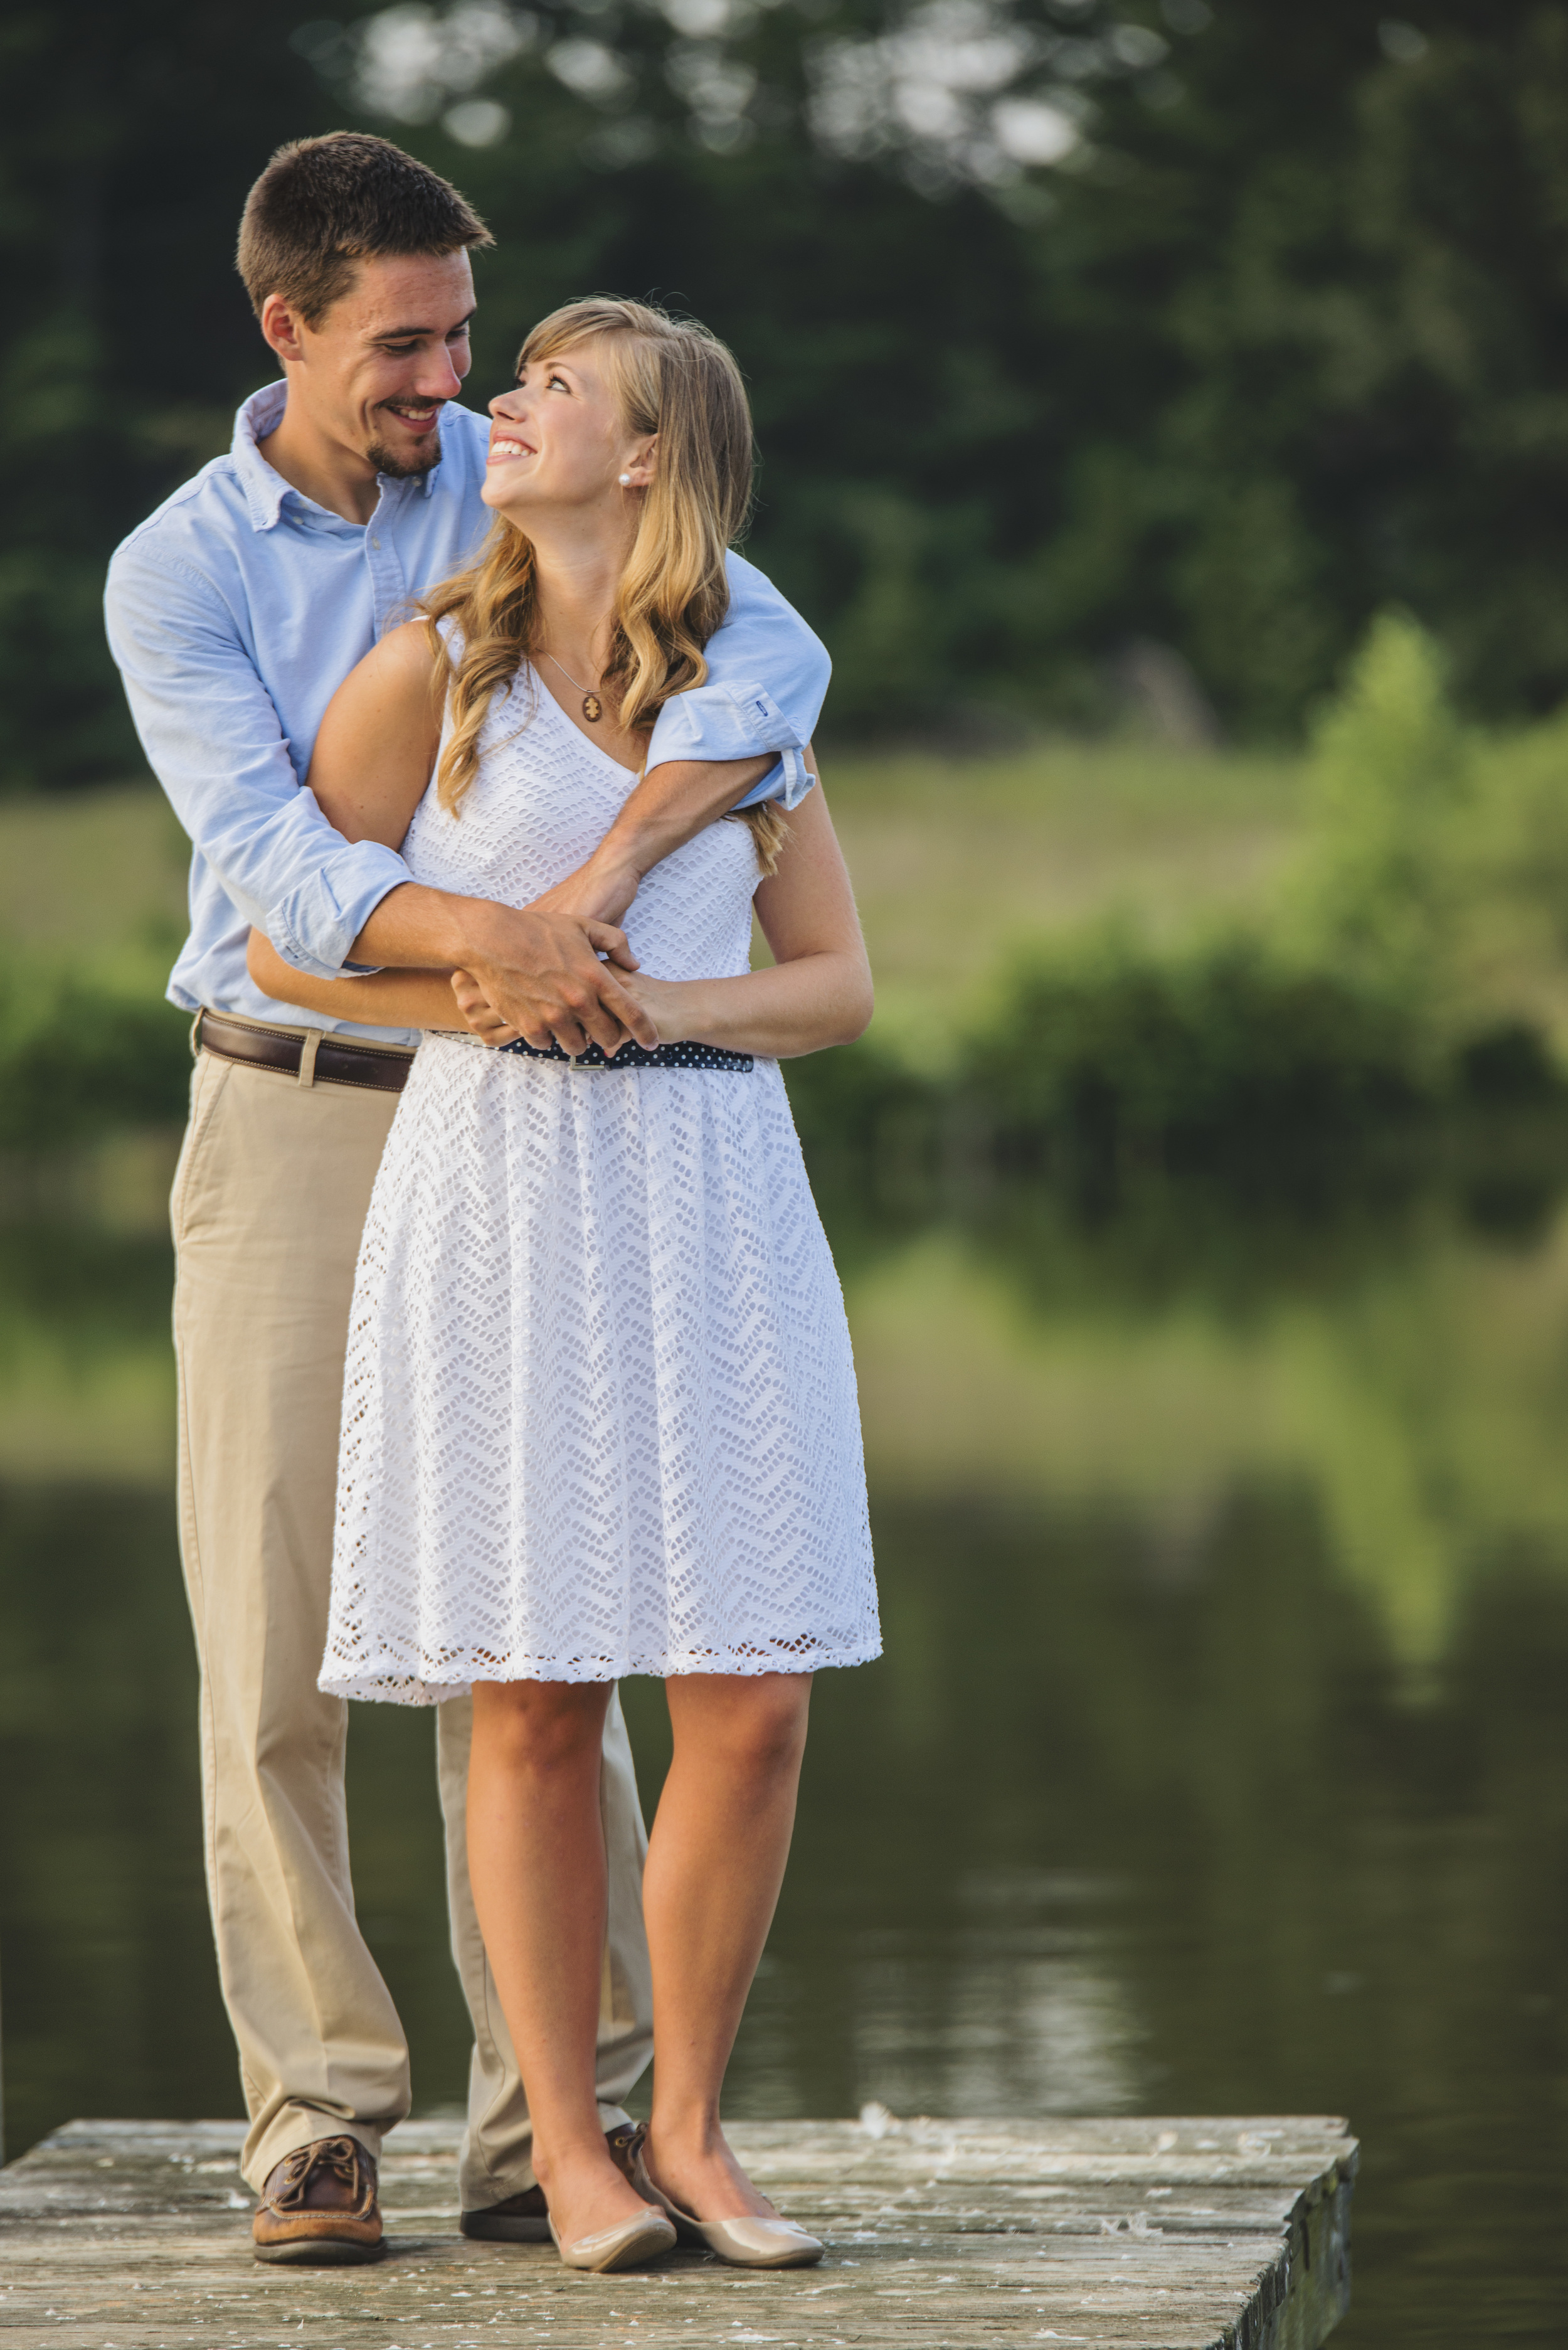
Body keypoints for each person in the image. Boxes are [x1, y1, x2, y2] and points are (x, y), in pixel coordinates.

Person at [103, 134, 831, 2266]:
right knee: (281, 1638)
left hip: (552, 1128)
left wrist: (596, 897)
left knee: (554, 1616)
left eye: (463, 344)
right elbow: (280, 879)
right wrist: (487, 943)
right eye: (407, 345)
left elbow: (757, 648)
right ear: (289, 331)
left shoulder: (494, 478)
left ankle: (564, 2124)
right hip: (302, 1097)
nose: (448, 382)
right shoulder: (181, 569)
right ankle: (319, 2116)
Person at [251, 295, 879, 2276]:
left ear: (647, 456)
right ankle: (570, 2158)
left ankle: (685, 2123)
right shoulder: (428, 669)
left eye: (549, 388)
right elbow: (283, 946)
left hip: (711, 1185)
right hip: (499, 1177)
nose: (499, 407)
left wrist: (657, 1000)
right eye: (503, 377)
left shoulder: (750, 694)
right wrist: (494, 988)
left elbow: (836, 984)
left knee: (752, 1692)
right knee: (528, 1690)